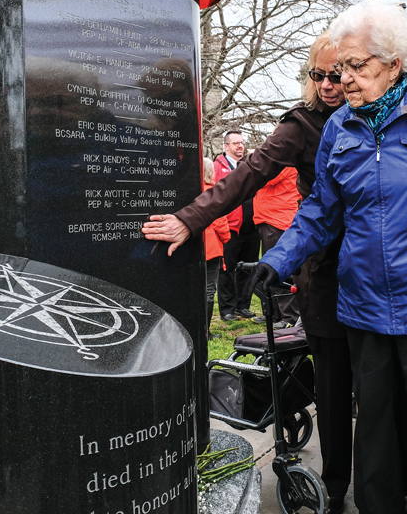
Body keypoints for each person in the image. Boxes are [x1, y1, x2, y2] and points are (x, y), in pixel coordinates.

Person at [247, 0, 407, 514]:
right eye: (339, 68)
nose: (343, 79)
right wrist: (277, 259)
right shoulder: (340, 128)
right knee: (374, 428)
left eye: (356, 67)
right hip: (363, 300)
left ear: (394, 64)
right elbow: (322, 208)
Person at [142, 31, 354, 513]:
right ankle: (337, 487)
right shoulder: (301, 125)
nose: (326, 85)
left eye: (335, 74)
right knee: (334, 388)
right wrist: (191, 218)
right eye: (317, 75)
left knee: (382, 385)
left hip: (379, 272)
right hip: (324, 271)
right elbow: (247, 175)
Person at [213, 131, 260, 321]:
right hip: (230, 227)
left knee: (248, 269)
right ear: (226, 147)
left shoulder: (251, 165)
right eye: (235, 144)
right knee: (227, 270)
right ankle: (227, 309)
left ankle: (243, 305)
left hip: (252, 226)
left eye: (241, 143)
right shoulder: (218, 167)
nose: (239, 146)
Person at [252, 166, 301, 327]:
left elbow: (264, 175)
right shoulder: (281, 158)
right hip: (270, 219)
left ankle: (289, 317)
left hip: (279, 221)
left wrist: (253, 162)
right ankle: (273, 313)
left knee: (281, 270)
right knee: (270, 269)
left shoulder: (285, 161)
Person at [202, 161, 230, 338]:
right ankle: (206, 331)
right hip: (211, 246)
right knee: (209, 289)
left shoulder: (188, 190)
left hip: (193, 246)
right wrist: (226, 237)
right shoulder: (212, 192)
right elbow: (219, 221)